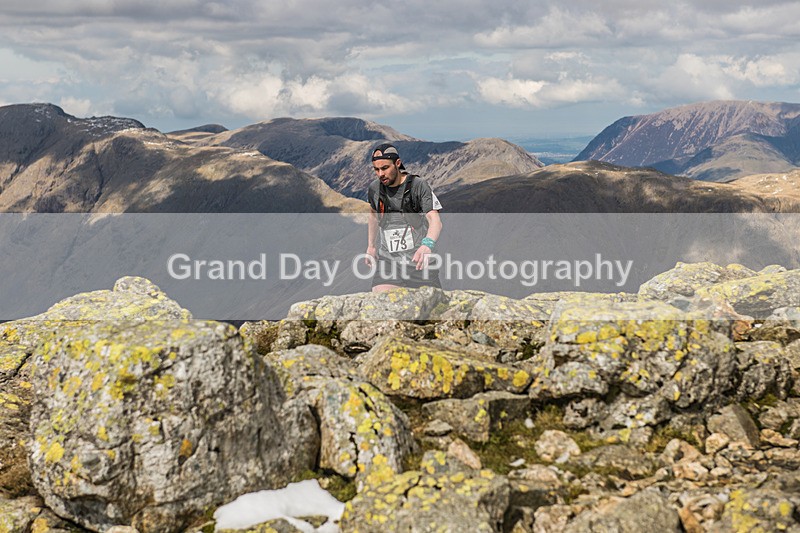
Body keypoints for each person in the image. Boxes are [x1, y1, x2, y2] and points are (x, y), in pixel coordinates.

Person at [365, 143, 442, 292]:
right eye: (376, 169)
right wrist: (371, 246)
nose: (380, 174)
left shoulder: (418, 186)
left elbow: (435, 221)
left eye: (385, 168)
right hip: (389, 262)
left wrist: (427, 245)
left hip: (420, 263)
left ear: (398, 163)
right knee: (383, 303)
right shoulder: (375, 189)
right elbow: (373, 216)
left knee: (429, 311)